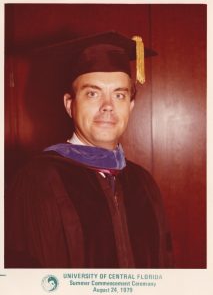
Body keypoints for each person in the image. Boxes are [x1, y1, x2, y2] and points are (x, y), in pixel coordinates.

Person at [5, 31, 173, 268]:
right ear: (70, 104)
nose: (107, 106)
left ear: (131, 106)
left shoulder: (144, 184)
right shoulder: (36, 182)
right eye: (92, 94)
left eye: (119, 95)